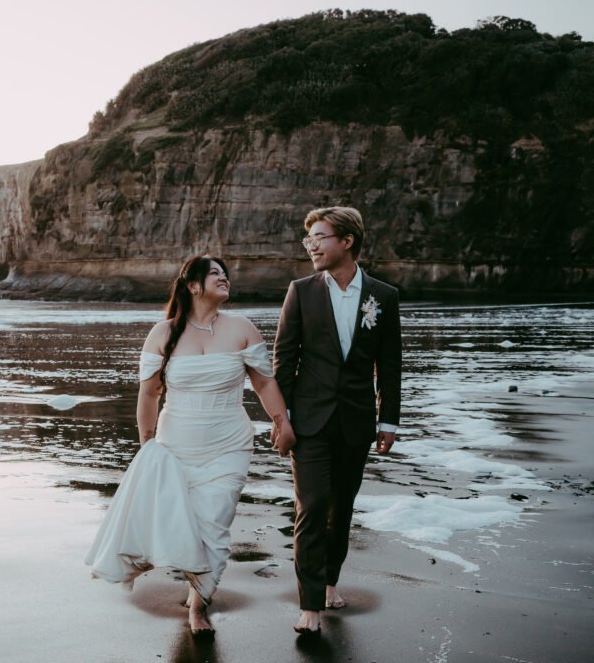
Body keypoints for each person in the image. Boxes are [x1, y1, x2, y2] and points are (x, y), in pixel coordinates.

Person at [86, 255, 296, 638]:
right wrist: (147, 446)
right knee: (184, 525)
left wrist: (282, 423)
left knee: (214, 524)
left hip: (229, 444)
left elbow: (264, 383)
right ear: (192, 285)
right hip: (176, 445)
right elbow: (149, 394)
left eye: (225, 273)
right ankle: (195, 582)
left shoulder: (242, 328)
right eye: (214, 273)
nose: (223, 277)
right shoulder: (163, 333)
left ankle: (198, 605)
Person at [272, 206, 402, 635]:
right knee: (311, 507)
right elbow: (284, 359)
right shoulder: (301, 291)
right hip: (308, 421)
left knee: (340, 508)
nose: (311, 245)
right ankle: (310, 604)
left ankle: (329, 580)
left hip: (356, 421)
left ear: (347, 241)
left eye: (320, 237)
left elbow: (390, 364)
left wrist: (389, 421)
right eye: (308, 239)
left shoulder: (383, 296)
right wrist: (282, 420)